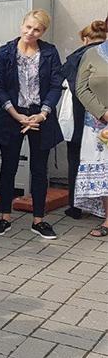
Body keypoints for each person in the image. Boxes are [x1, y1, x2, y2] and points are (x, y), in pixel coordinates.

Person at [0, 9, 64, 240]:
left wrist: (42, 114)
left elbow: (55, 85)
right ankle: (5, 216)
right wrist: (14, 113)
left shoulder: (49, 52)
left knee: (39, 169)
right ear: (22, 25)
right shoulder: (5, 52)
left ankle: (38, 220)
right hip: (12, 115)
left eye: (37, 29)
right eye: (28, 27)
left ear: (43, 32)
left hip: (40, 116)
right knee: (8, 166)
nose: (31, 32)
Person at [61, 20, 107, 219]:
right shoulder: (91, 55)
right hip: (95, 119)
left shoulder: (74, 57)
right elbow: (81, 88)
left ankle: (75, 207)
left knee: (76, 162)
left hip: (80, 119)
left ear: (85, 38)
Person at [73, 18, 108, 236]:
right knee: (105, 175)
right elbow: (81, 88)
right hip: (98, 125)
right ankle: (107, 220)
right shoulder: (92, 54)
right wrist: (103, 112)